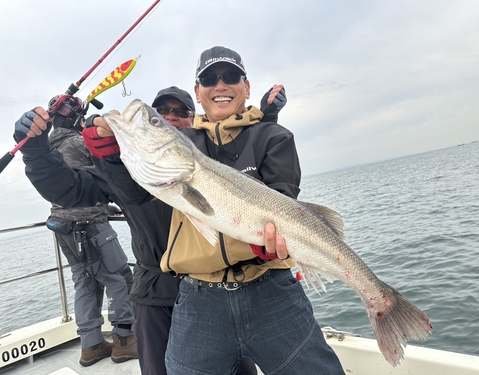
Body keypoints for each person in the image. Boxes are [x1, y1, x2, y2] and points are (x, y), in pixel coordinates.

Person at [90, 46, 346, 375]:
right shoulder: (185, 141)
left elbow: (282, 196)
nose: (220, 85)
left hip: (271, 290)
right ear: (198, 92)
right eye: (209, 78)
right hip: (198, 299)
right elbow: (134, 194)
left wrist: (264, 243)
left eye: (231, 76)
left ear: (247, 87)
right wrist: (109, 151)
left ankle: (380, 301)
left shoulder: (274, 136)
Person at [13, 84, 286, 375]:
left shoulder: (210, 160)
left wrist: (268, 117)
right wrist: (35, 150)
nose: (171, 117)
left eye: (181, 112)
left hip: (216, 289)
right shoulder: (126, 168)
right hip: (155, 294)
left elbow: (249, 167)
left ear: (193, 120)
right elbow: (68, 189)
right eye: (162, 112)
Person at [31, 98, 138, 367]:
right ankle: (125, 340)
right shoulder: (79, 142)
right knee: (120, 277)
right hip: (89, 225)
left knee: (85, 282)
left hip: (62, 226)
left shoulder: (52, 144)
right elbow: (108, 171)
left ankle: (90, 345)